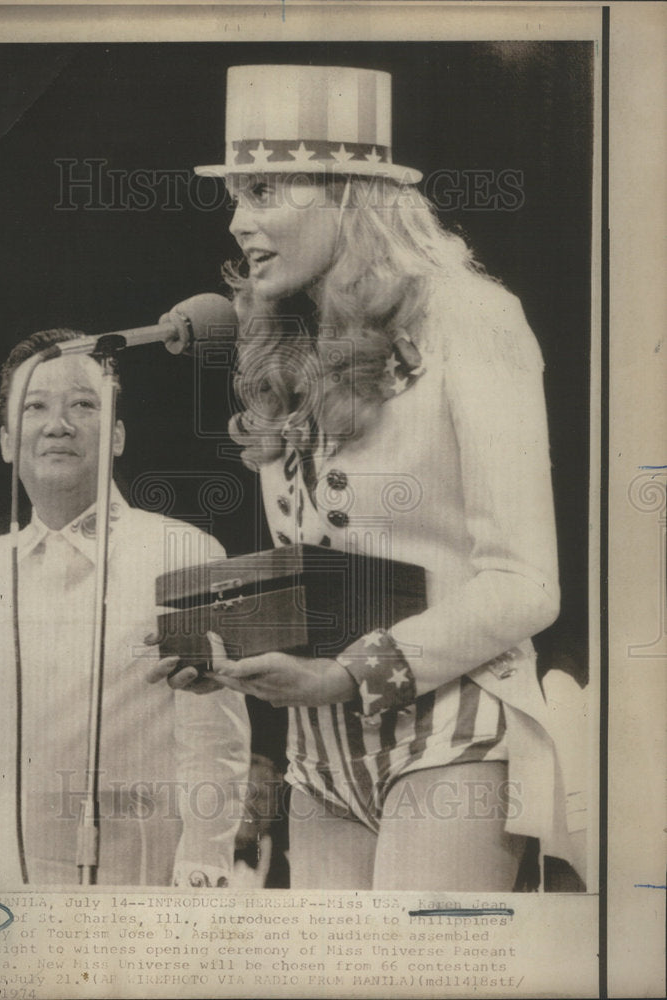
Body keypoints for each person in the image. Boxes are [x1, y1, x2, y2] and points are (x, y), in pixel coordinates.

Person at [147, 64, 583, 892]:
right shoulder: (280, 333)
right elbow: (321, 572)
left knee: (410, 963)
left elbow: (526, 584)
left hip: (452, 728)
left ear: (349, 195)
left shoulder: (471, 318)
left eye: (263, 190)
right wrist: (232, 649)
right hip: (319, 755)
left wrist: (350, 673)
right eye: (235, 194)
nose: (237, 220)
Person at [0, 328, 250, 886]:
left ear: (117, 435)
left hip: (134, 885)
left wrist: (202, 868)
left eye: (83, 404)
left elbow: (212, 741)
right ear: (7, 441)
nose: (58, 425)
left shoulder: (182, 552)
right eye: (35, 407)